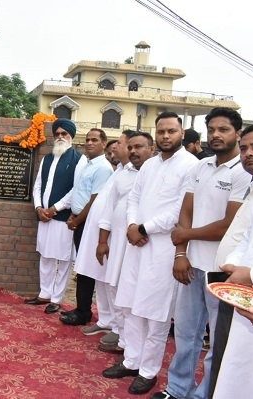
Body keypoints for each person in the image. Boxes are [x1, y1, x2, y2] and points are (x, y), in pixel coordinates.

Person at [151, 108, 251, 399]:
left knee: (217, 340)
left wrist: (186, 235)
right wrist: (181, 254)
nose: (216, 135)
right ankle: (178, 389)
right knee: (185, 334)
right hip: (192, 265)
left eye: (224, 129)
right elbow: (186, 211)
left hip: (222, 271)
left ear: (237, 133)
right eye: (212, 130)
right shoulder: (201, 166)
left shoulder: (243, 172)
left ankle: (204, 393)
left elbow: (229, 224)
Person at [103, 111, 198, 395]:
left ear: (182, 132)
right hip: (137, 244)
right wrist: (133, 225)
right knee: (131, 307)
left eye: (171, 131)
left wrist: (144, 227)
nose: (166, 136)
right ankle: (131, 359)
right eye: (161, 131)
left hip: (163, 247)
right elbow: (134, 197)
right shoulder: (149, 165)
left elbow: (181, 210)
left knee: (155, 314)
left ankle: (148, 371)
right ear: (155, 134)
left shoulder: (191, 166)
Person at [209, 124, 253, 398]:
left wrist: (250, 274)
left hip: (249, 289)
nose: (248, 154)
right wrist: (232, 265)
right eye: (244, 148)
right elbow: (247, 241)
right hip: (243, 296)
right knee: (234, 374)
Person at [96, 132, 155, 353]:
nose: (133, 151)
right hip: (120, 242)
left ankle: (137, 345)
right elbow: (108, 210)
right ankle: (121, 337)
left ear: (152, 149)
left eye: (138, 147)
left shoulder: (156, 174)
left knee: (137, 295)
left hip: (145, 242)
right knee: (115, 288)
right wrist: (103, 241)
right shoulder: (122, 174)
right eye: (130, 147)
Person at [77, 130, 134, 338]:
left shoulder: (135, 173)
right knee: (100, 278)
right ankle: (106, 320)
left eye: (119, 143)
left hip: (113, 236)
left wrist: (104, 237)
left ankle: (118, 328)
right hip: (99, 232)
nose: (114, 147)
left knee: (112, 282)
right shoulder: (118, 169)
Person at [26, 118, 86, 312]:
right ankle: (44, 293)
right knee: (45, 255)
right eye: (57, 134)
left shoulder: (79, 159)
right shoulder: (47, 158)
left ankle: (57, 298)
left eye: (64, 134)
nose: (60, 137)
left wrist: (55, 209)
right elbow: (37, 186)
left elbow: (77, 190)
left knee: (62, 259)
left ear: (71, 136)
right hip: (43, 216)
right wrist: (38, 208)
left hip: (62, 218)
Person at [58, 128, 113, 326]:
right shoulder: (87, 165)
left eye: (95, 140)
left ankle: (84, 312)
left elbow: (95, 200)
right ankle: (81, 308)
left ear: (104, 143)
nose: (90, 143)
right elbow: (79, 193)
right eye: (88, 140)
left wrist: (78, 220)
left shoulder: (103, 168)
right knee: (81, 267)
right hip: (80, 220)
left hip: (88, 223)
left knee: (86, 269)